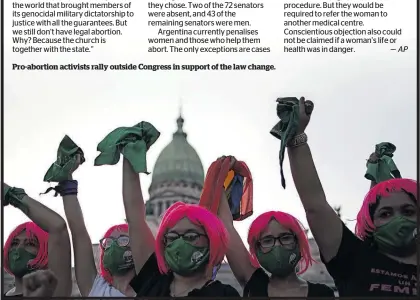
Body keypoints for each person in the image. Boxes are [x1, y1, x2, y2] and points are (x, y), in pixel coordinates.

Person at [285, 97, 417, 297]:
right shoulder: (355, 259)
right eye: (385, 213)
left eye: (408, 211)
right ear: (371, 223)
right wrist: (296, 138)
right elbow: (316, 205)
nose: (398, 219)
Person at [121, 158, 240, 297]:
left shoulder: (224, 295)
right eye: (172, 237)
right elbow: (134, 217)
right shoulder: (153, 280)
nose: (180, 243)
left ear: (211, 241)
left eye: (191, 236)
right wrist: (130, 157)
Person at [217, 174, 334, 297]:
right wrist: (220, 175)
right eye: (267, 240)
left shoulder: (322, 294)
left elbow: (316, 206)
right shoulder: (255, 285)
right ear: (257, 249)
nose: (277, 245)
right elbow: (225, 225)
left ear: (299, 244)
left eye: (285, 238)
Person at [58, 155, 135, 296]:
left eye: (123, 240)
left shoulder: (153, 289)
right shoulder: (96, 289)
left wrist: (130, 157)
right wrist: (66, 180)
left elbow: (135, 211)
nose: (113, 246)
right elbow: (78, 231)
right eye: (108, 242)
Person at [3, 184, 72, 297]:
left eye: (30, 243)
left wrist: (12, 195)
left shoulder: (53, 291)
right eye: (14, 243)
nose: (19, 248)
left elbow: (58, 227)